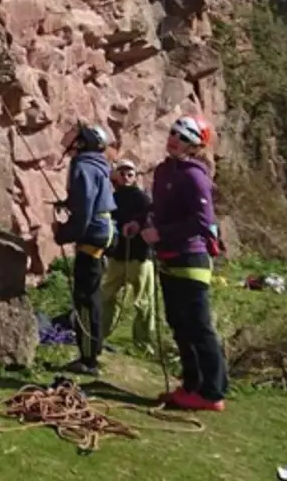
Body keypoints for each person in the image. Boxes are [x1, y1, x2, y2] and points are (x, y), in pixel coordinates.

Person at [143, 115, 229, 411]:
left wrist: (162, 233)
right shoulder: (165, 171)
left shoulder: (195, 175)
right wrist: (142, 224)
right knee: (179, 325)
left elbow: (203, 221)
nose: (174, 139)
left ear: (194, 145)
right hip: (169, 257)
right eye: (173, 133)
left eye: (182, 137)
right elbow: (160, 210)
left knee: (198, 326)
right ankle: (192, 386)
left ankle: (213, 392)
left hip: (190, 257)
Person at [52, 122, 116, 375]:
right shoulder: (97, 163)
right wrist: (68, 203)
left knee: (86, 298)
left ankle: (89, 359)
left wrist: (63, 234)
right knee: (91, 295)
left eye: (74, 137)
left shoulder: (82, 165)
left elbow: (86, 208)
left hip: (93, 234)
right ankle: (92, 351)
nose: (68, 139)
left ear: (82, 142)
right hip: (104, 230)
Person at [102, 157, 163, 359]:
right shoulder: (112, 198)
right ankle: (100, 335)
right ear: (116, 175)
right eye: (123, 173)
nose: (127, 177)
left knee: (143, 302)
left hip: (140, 256)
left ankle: (144, 343)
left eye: (130, 173)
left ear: (135, 177)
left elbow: (151, 218)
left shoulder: (142, 198)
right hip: (117, 256)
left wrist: (138, 225)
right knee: (107, 297)